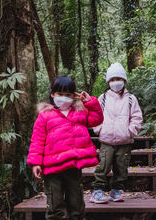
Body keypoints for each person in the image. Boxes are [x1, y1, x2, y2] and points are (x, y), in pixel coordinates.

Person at [27, 76, 104, 220]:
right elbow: (37, 140)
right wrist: (35, 163)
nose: (64, 98)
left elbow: (96, 120)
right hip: (51, 168)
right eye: (60, 94)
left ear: (74, 96)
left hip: (73, 166)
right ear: (52, 94)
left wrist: (89, 102)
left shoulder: (79, 112)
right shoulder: (45, 115)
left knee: (76, 201)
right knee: (55, 203)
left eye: (68, 95)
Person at [90, 62, 143, 204]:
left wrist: (130, 132)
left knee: (121, 167)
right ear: (108, 82)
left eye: (118, 79)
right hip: (106, 140)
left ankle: (116, 190)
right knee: (104, 165)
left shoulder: (131, 99)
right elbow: (96, 115)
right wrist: (99, 129)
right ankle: (98, 190)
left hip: (124, 141)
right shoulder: (103, 98)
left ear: (124, 80)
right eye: (112, 80)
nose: (115, 82)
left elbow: (137, 118)